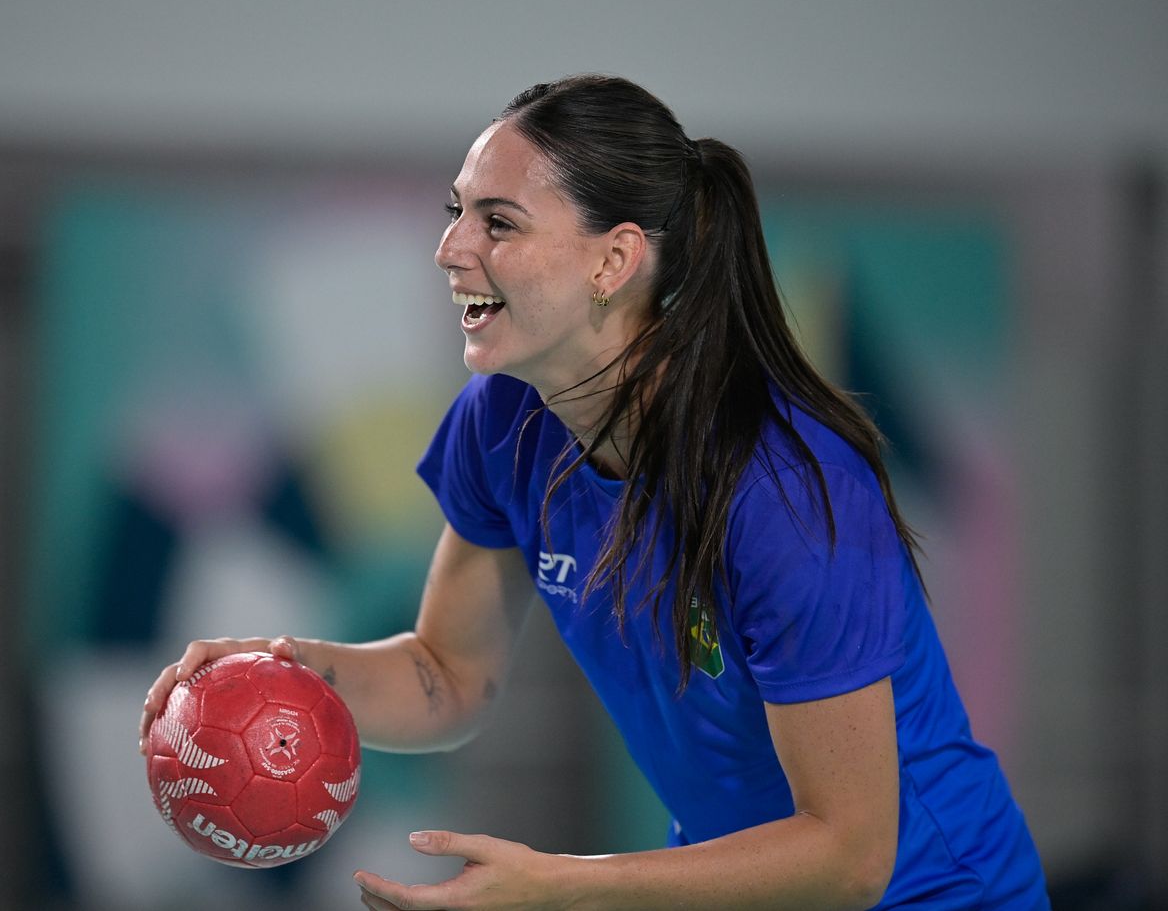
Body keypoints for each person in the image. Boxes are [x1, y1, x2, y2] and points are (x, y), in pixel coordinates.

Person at [140, 75, 1049, 909]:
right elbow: (446, 675)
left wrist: (565, 886)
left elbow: (850, 856)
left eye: (499, 222)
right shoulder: (503, 421)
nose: (449, 248)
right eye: (456, 212)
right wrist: (284, 670)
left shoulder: (786, 495)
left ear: (613, 262)